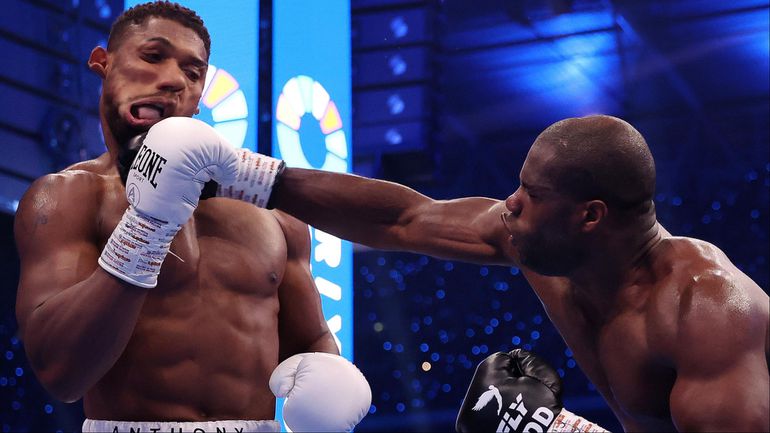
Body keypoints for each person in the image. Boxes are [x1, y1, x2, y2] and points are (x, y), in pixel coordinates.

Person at [263, 114, 769, 432]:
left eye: (533, 195)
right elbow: (403, 219)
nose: (511, 203)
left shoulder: (704, 309)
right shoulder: (542, 244)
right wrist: (252, 178)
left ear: (589, 216)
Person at [14, 2, 370, 432]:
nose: (172, 79)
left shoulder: (272, 211)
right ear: (102, 64)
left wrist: (329, 376)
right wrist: (145, 228)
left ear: (200, 97)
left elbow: (308, 339)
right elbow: (60, 373)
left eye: (193, 72)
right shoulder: (69, 197)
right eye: (152, 56)